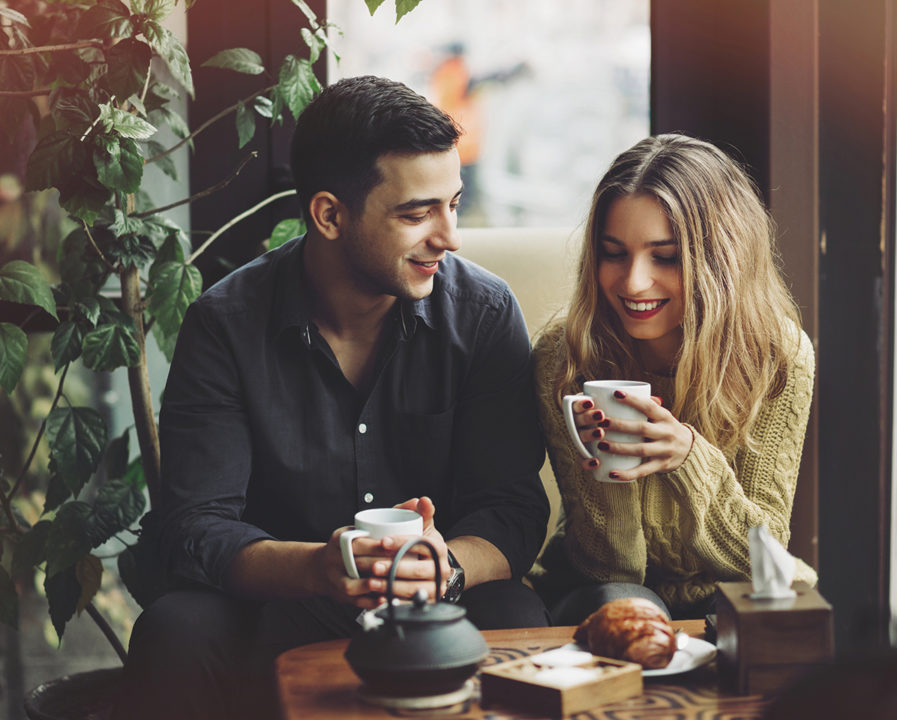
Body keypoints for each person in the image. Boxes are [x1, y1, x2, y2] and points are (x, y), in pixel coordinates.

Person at [114, 75, 549, 720]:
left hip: (437, 605)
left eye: (453, 204)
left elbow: (511, 506)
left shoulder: (482, 313)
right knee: (176, 630)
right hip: (277, 600)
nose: (449, 237)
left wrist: (443, 566)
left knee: (515, 611)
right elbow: (195, 526)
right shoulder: (225, 323)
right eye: (416, 213)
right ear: (329, 215)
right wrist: (321, 567)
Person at [528, 134, 817, 624]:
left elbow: (759, 561)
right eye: (613, 253)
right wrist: (612, 469)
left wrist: (688, 457)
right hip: (599, 592)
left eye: (665, 256)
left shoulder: (776, 357)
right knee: (625, 605)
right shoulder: (567, 354)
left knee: (767, 621)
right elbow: (608, 567)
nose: (634, 281)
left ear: (720, 261)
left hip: (721, 597)